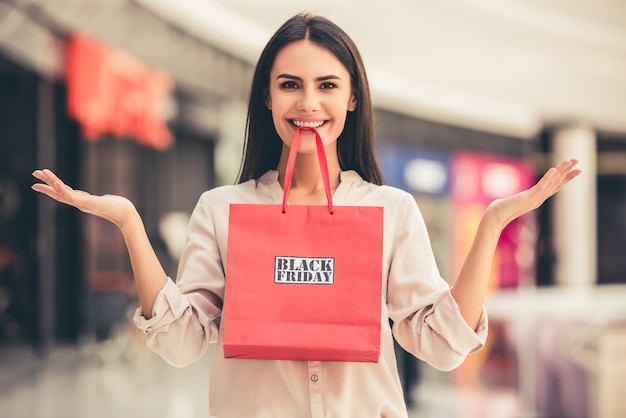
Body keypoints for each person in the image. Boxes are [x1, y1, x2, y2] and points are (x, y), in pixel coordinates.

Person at [32, 13, 580, 418]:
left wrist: (490, 225)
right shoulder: (223, 210)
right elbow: (181, 345)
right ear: (266, 99)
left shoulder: (391, 210)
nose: (308, 103)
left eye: (327, 86)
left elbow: (439, 345)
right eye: (289, 85)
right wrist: (129, 222)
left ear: (353, 100)